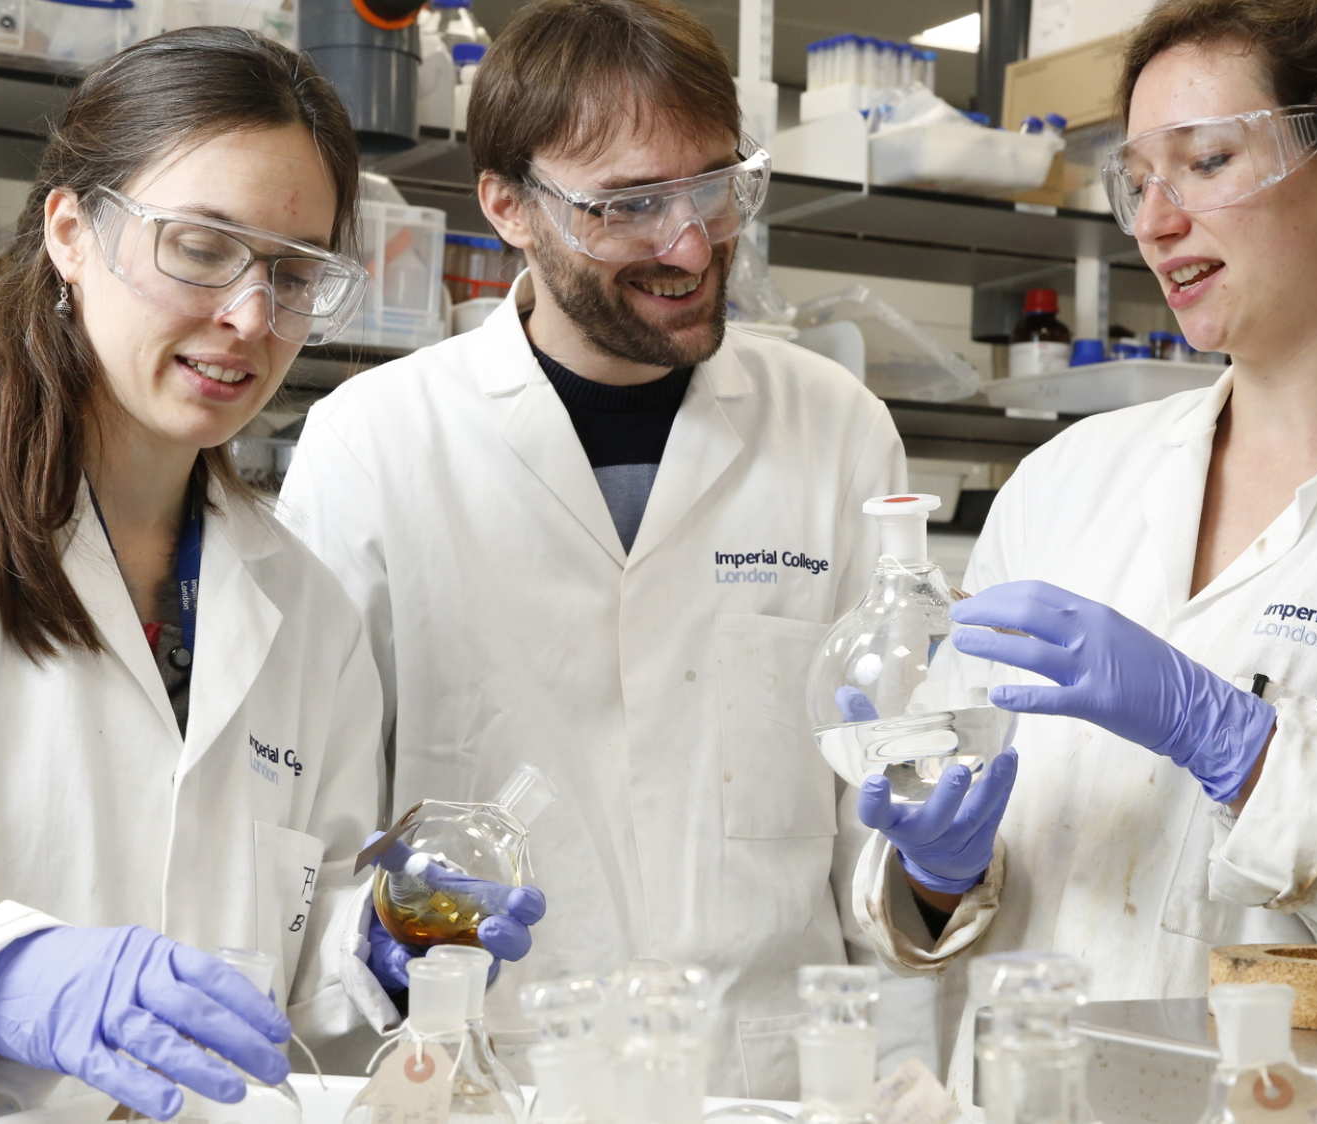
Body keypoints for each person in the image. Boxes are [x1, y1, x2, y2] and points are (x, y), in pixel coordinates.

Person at [0, 29, 539, 1123]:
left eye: (294, 271)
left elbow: (290, 993)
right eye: (203, 246)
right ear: (72, 232)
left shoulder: (302, 610)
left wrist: (384, 947)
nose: (251, 319)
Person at [853, 0, 1317, 1091]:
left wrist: (1241, 748)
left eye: (1202, 161)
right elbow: (977, 832)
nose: (1153, 220)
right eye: (1135, 179)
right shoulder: (1067, 481)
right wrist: (933, 872)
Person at [277, 0, 974, 1098]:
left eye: (712, 185)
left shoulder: (833, 427)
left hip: (769, 1073)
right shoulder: (374, 442)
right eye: (628, 205)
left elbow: (874, 826)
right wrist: (367, 942)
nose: (690, 243)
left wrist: (932, 869)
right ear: (507, 205)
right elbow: (305, 838)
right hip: (491, 1075)